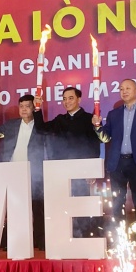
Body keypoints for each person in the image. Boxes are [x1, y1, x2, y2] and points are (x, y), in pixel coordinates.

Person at [92, 79, 136, 249]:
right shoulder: (114, 114)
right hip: (117, 163)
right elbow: (105, 137)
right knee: (117, 203)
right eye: (121, 89)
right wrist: (98, 127)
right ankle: (119, 240)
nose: (124, 91)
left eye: (128, 88)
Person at [0, 94, 47, 249]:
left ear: (34, 107)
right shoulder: (11, 125)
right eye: (21, 106)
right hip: (13, 172)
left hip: (34, 173)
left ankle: (40, 241)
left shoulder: (41, 126)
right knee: (15, 208)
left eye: (27, 106)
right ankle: (15, 241)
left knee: (37, 208)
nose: (24, 109)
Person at [33, 86, 102, 237]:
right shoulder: (60, 120)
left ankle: (84, 236)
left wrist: (91, 170)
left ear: (79, 99)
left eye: (71, 98)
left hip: (81, 172)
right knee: (63, 205)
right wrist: (37, 109)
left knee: (81, 205)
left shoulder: (89, 119)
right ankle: (66, 237)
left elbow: (94, 145)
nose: (67, 102)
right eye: (64, 99)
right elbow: (41, 129)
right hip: (62, 171)